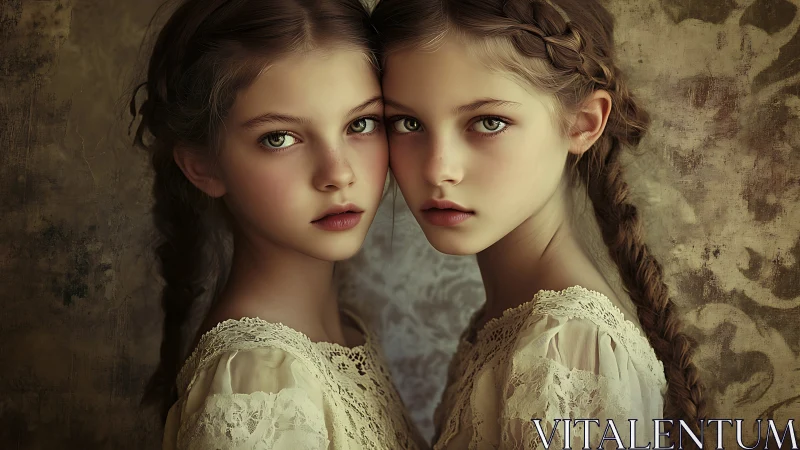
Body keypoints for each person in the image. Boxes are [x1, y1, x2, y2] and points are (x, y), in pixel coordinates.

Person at [371, 0, 707, 448]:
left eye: (488, 122)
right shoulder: (510, 319)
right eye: (408, 123)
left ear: (583, 124)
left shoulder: (569, 349)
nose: (438, 169)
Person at [129, 0, 425, 447]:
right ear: (202, 166)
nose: (338, 173)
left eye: (360, 123)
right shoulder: (257, 386)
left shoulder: (342, 331)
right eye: (279, 138)